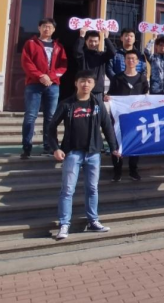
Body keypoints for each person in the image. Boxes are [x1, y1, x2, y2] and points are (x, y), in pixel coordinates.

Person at [50, 70, 121, 240]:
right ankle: (64, 224)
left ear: (94, 84)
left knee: (92, 188)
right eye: (82, 81)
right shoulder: (67, 104)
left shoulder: (97, 105)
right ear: (76, 83)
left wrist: (113, 147)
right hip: (72, 153)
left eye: (89, 81)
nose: (86, 84)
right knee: (68, 189)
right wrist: (55, 148)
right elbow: (51, 128)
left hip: (93, 154)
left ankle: (93, 221)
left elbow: (107, 127)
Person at [20, 18, 68, 159]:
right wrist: (40, 76)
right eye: (44, 26)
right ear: (39, 28)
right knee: (30, 116)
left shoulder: (58, 46)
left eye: (50, 27)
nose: (47, 29)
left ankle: (49, 146)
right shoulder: (30, 43)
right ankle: (27, 147)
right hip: (34, 85)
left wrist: (50, 77)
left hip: (53, 85)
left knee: (51, 117)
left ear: (54, 30)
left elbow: (63, 66)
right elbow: (26, 63)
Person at [105, 50, 149, 182]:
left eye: (133, 59)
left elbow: (146, 95)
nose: (131, 61)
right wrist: (108, 97)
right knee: (117, 143)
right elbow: (110, 94)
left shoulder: (142, 78)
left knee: (135, 142)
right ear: (124, 61)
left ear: (137, 61)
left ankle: (133, 170)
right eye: (128, 58)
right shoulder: (117, 78)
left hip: (136, 116)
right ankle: (117, 171)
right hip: (119, 116)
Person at [73, 28, 117, 104]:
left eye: (95, 41)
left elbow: (112, 52)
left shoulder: (101, 56)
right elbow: (77, 51)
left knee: (97, 110)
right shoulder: (83, 55)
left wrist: (106, 38)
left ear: (99, 42)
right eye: (90, 41)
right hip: (83, 88)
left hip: (97, 90)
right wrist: (81, 36)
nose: (93, 44)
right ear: (86, 41)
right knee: (82, 110)